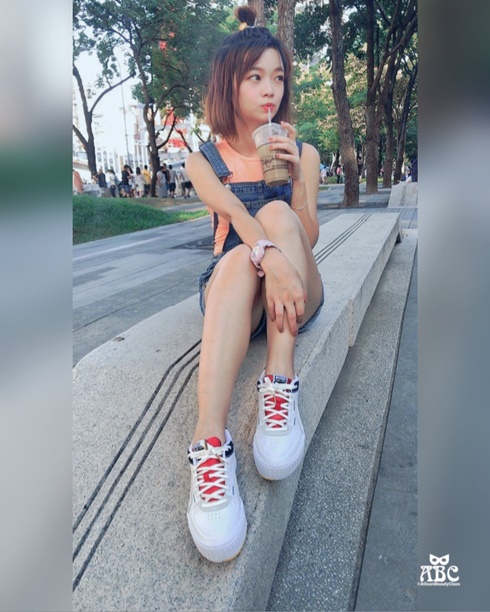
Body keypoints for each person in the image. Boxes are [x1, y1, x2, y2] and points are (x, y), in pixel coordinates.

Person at [185, 5, 324, 564]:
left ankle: (279, 381)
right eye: (255, 77)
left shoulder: (304, 151)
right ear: (230, 84)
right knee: (245, 248)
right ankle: (209, 443)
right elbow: (239, 222)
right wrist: (268, 255)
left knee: (277, 213)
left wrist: (294, 185)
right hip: (239, 290)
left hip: (297, 288)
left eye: (278, 77)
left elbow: (307, 236)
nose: (271, 90)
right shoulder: (204, 161)